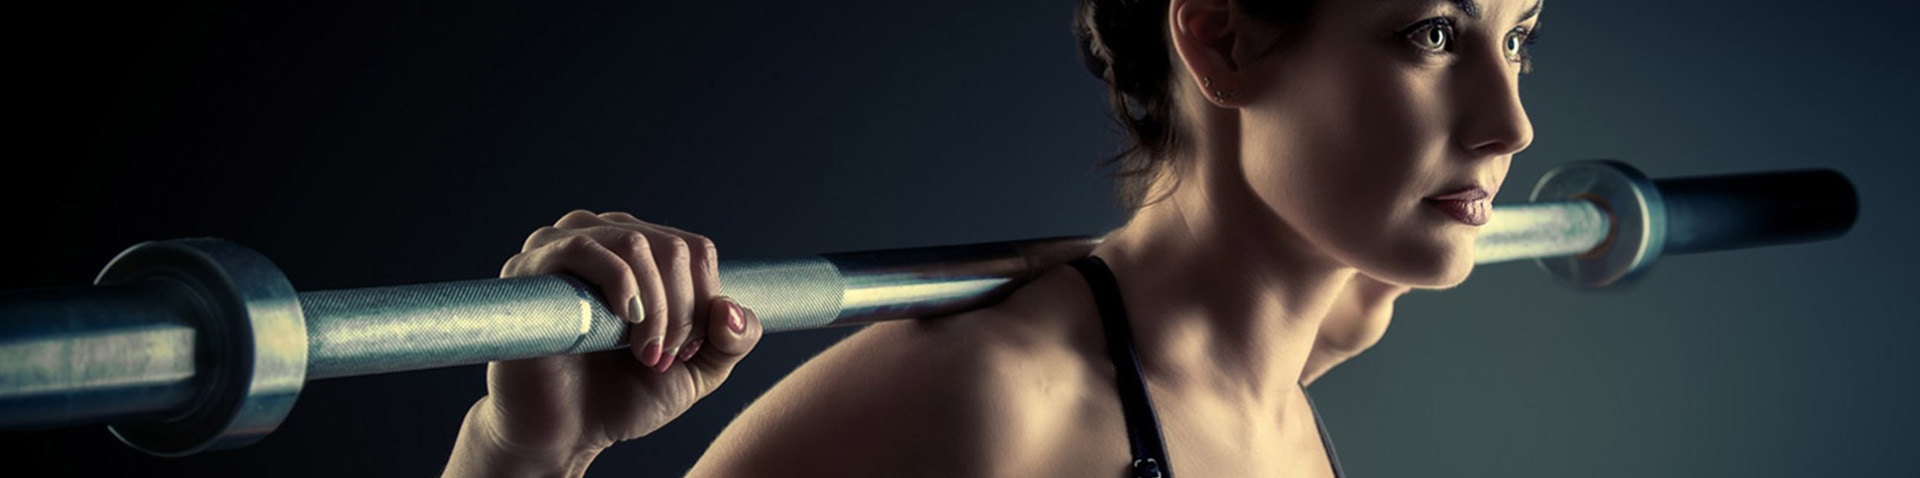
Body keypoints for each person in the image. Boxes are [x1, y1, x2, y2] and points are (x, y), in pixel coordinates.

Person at [447, 0, 1540, 475]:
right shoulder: (989, 404)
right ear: (1220, 43)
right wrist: (527, 454)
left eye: (1520, 37)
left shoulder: (1320, 344)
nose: (1512, 123)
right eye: (1433, 35)